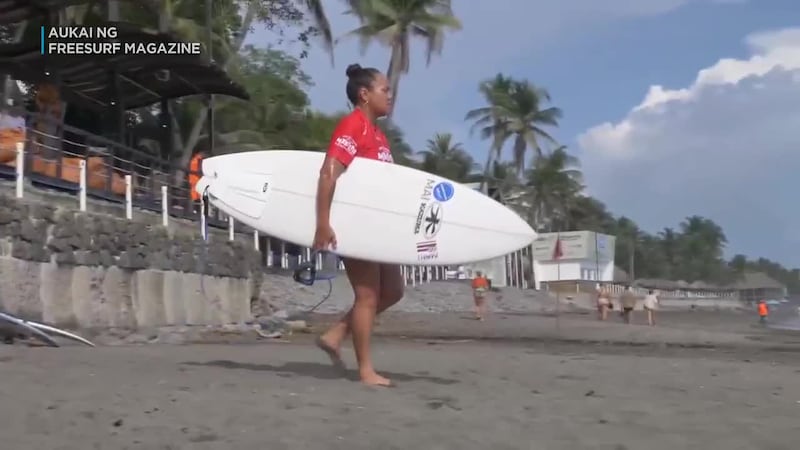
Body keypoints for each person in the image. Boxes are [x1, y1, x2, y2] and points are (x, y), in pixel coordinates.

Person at [312, 63, 400, 387]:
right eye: (385, 90)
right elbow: (328, 173)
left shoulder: (377, 134)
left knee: (393, 291)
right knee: (367, 295)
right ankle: (365, 370)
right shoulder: (353, 126)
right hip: (355, 223)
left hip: (375, 225)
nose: (390, 96)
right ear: (364, 94)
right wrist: (323, 223)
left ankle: (335, 335)